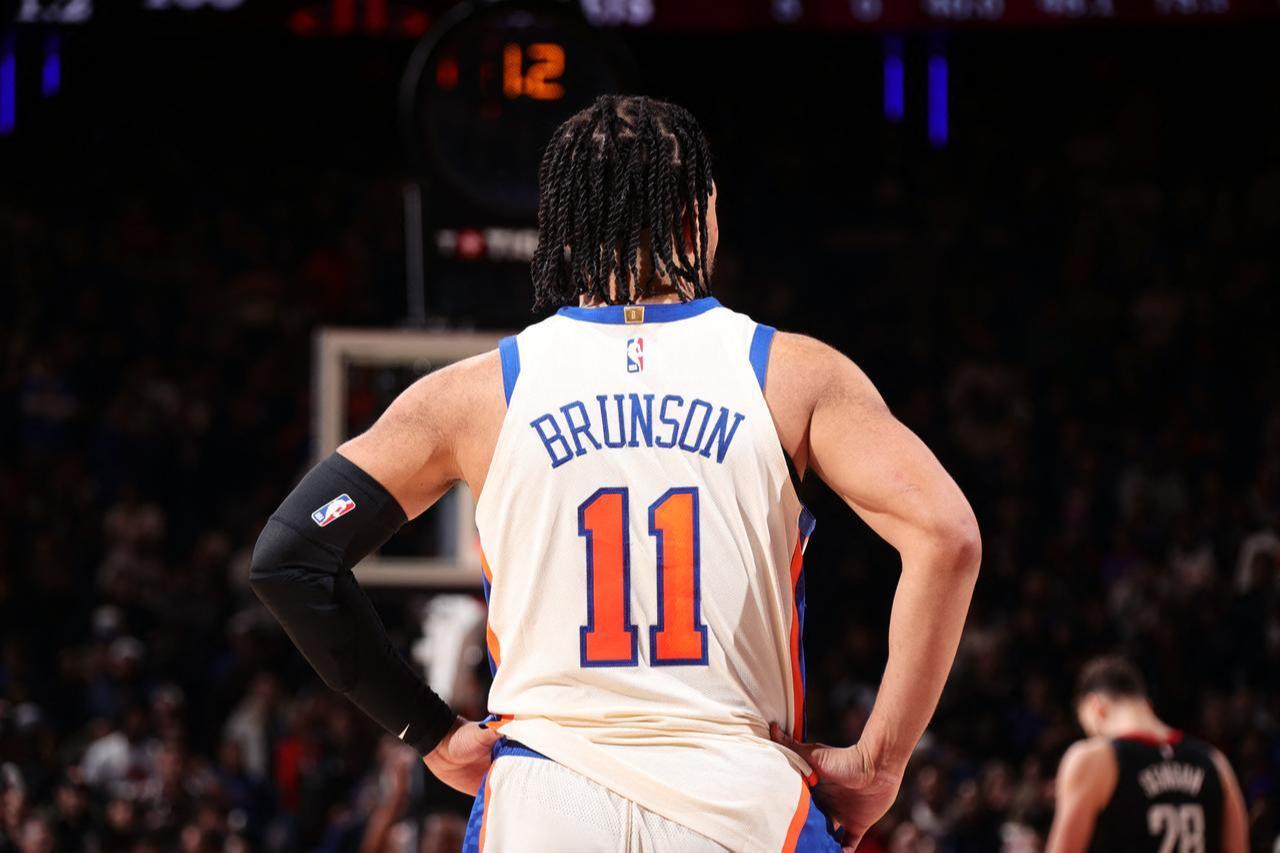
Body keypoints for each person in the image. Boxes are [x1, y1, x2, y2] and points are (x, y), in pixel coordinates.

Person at [249, 95, 981, 852]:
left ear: (561, 233)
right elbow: (948, 535)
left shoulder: (474, 394)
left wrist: (429, 729)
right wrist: (881, 761)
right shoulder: (793, 375)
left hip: (541, 803)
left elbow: (291, 557)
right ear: (702, 216)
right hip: (740, 796)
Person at [1045, 656, 1249, 853]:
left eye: (1090, 730)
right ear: (1147, 706)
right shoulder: (1215, 761)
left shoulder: (1093, 758)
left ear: (1097, 707)